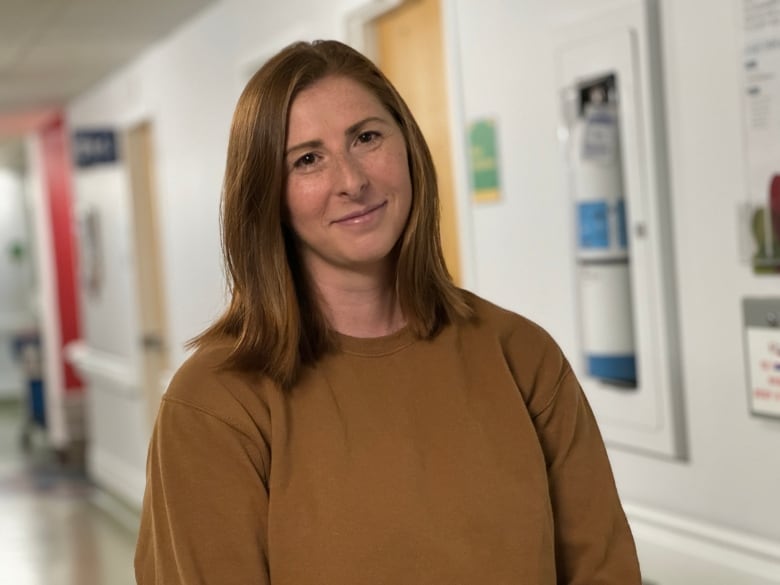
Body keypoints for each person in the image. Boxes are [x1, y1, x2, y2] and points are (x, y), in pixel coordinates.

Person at [134, 39, 641, 585]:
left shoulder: (520, 355)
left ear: (408, 147)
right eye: (307, 160)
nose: (352, 181)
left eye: (366, 137)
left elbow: (603, 569)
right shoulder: (216, 402)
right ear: (266, 196)